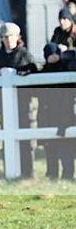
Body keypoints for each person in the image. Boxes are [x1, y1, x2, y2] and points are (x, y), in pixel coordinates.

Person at [0, 22, 38, 178]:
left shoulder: (25, 55)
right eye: (5, 37)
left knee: (26, 137)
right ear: (1, 39)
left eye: (11, 36)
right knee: (7, 136)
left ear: (17, 37)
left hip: (23, 103)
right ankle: (10, 171)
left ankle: (28, 172)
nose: (9, 40)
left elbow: (34, 76)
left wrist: (22, 75)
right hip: (4, 104)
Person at [36, 44, 76, 179]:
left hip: (64, 114)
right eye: (50, 54)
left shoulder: (66, 70)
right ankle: (51, 174)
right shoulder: (43, 73)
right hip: (47, 115)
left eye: (55, 53)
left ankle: (67, 174)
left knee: (66, 147)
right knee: (49, 147)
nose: (53, 57)